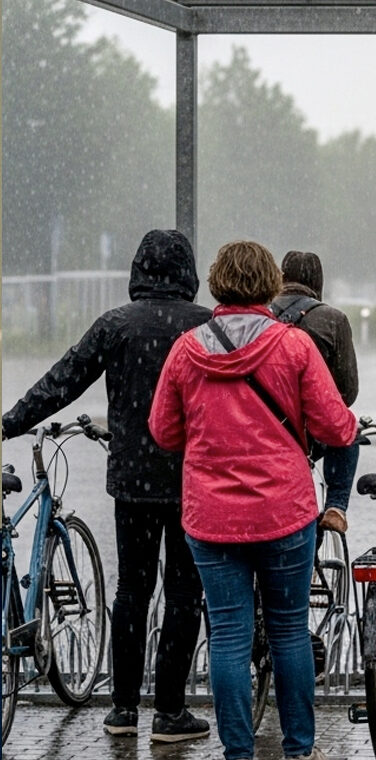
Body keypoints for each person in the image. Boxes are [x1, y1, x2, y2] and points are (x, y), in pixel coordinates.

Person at [149, 240, 357, 760]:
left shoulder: (186, 349)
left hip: (211, 517)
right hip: (284, 514)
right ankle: (298, 748)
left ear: (217, 282)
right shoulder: (294, 347)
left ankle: (238, 752)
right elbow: (336, 426)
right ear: (269, 283)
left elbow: (163, 430)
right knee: (288, 631)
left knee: (228, 635)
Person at [1, 229, 211, 742]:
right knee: (185, 593)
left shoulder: (116, 325)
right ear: (188, 271)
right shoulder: (206, 327)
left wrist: (10, 422)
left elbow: (63, 379)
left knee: (131, 590)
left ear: (139, 269)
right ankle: (169, 712)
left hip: (133, 481)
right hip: (192, 480)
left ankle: (122, 710)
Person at [270, 249, 359, 533]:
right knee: (349, 430)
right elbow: (347, 391)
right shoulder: (333, 319)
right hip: (311, 430)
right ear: (318, 280)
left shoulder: (259, 314)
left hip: (265, 426)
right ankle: (335, 506)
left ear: (281, 277)